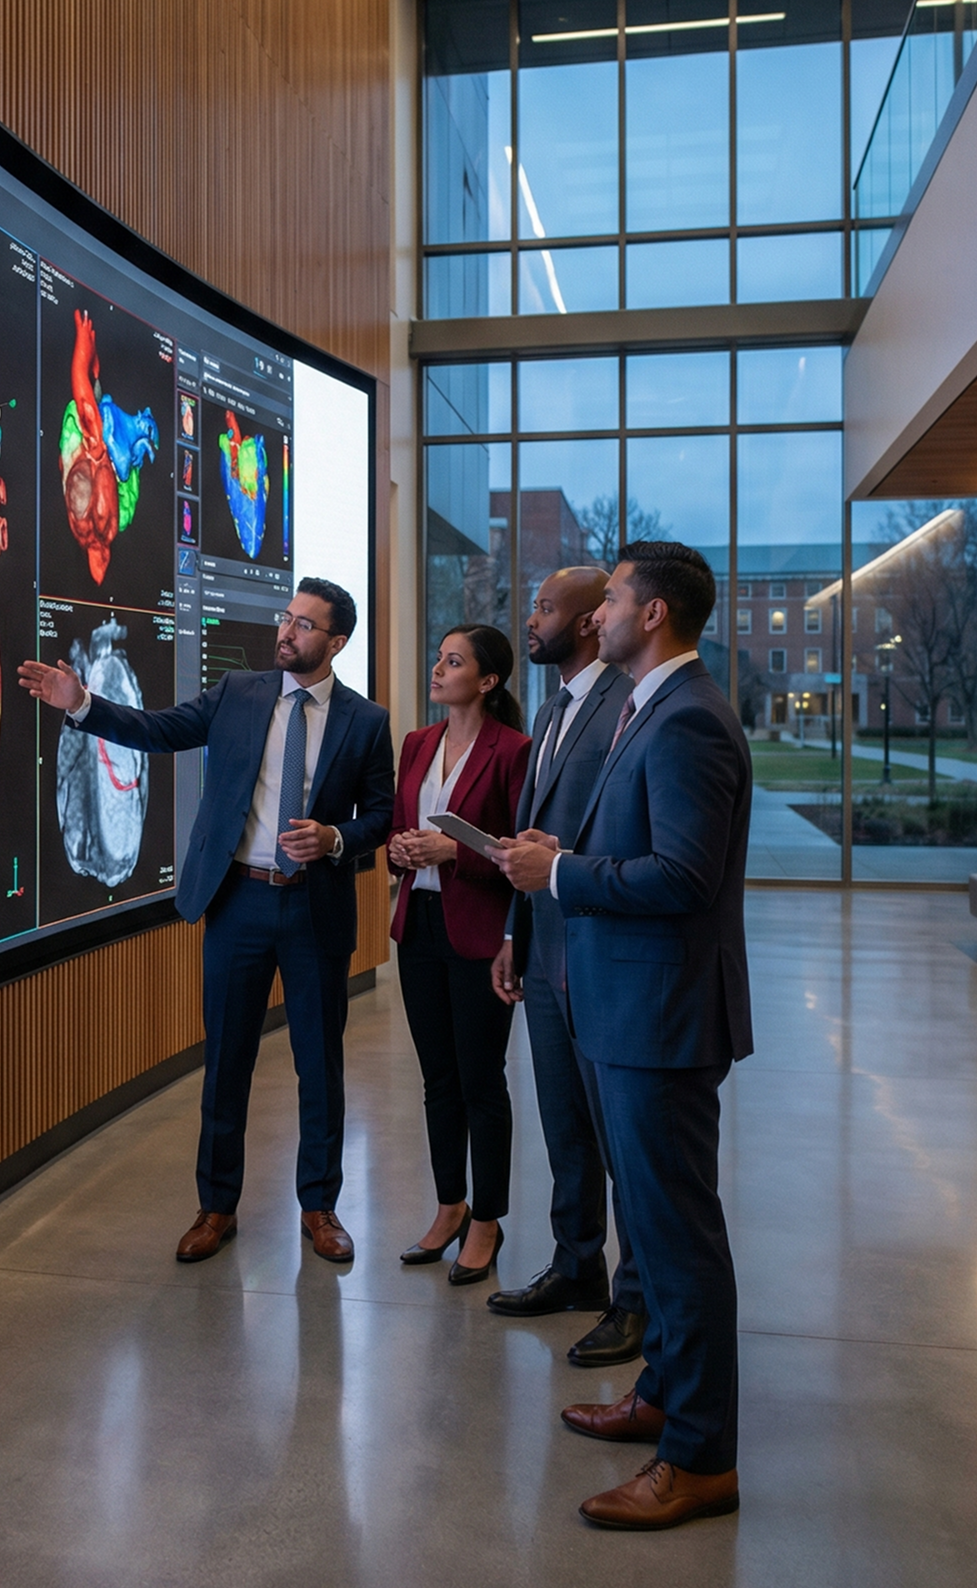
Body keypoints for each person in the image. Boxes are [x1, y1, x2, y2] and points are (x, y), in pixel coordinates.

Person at [18, 578, 393, 1266]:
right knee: (226, 1063)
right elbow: (158, 730)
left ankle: (320, 1205)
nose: (287, 631)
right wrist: (83, 705)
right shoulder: (239, 692)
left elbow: (381, 815)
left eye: (304, 625)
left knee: (320, 1065)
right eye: (287, 618)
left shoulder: (364, 722)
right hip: (238, 902)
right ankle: (216, 1205)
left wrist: (336, 838)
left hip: (314, 907)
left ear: (335, 642)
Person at [508, 541, 752, 1532]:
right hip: (623, 1009)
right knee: (648, 1233)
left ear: (652, 613)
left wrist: (560, 873)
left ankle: (698, 1457)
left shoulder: (688, 718)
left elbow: (684, 878)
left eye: (609, 597)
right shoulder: (648, 706)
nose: (596, 611)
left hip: (658, 1018)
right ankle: (662, 1396)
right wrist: (565, 861)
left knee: (678, 1240)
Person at [486, 569, 645, 1368]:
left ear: (588, 623)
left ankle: (635, 1297)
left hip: (601, 952)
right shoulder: (552, 706)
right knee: (565, 1126)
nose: (531, 617)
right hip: (545, 948)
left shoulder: (628, 706)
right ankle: (576, 1264)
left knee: (622, 1142)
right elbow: (531, 834)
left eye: (545, 607)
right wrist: (515, 932)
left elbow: (623, 839)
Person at [387, 626, 531, 1285]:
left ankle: (487, 1219)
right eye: (438, 656)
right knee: (437, 1079)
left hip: (477, 929)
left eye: (453, 660)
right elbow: (398, 827)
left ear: (489, 679)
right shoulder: (418, 742)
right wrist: (401, 849)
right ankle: (450, 1205)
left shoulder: (513, 751)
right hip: (417, 924)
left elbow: (520, 855)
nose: (438, 668)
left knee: (481, 1080)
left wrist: (454, 853)